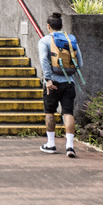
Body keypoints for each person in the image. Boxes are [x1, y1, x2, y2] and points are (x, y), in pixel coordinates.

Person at [38, 12, 83, 158]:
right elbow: (79, 63)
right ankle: (70, 146)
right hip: (69, 82)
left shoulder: (44, 41)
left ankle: (51, 144)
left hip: (53, 84)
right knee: (68, 112)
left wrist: (48, 80)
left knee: (50, 111)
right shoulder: (70, 40)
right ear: (62, 26)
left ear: (48, 26)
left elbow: (44, 61)